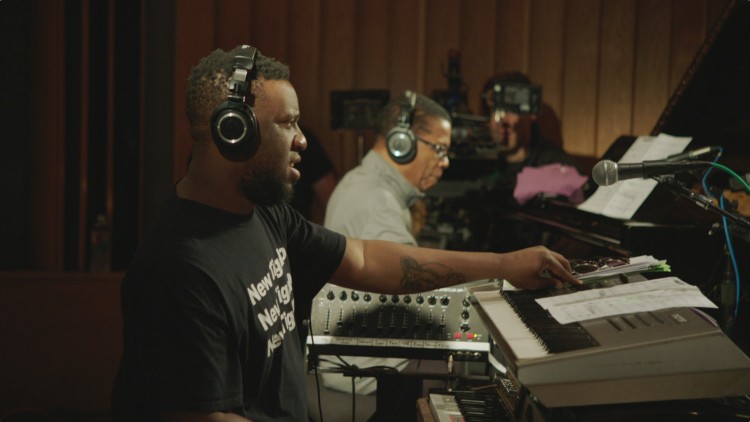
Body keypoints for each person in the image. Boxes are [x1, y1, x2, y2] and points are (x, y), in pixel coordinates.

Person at [111, 44, 580, 422]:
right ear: (234, 132)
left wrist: (505, 265)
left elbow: (362, 258)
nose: (303, 139)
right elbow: (203, 416)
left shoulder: (262, 212)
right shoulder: (178, 272)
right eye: (288, 123)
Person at [315, 92, 451, 401]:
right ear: (401, 143)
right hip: (366, 382)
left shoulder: (361, 182)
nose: (446, 162)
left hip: (358, 370)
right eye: (440, 149)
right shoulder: (377, 200)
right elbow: (417, 282)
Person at [289, 127, 337, 225]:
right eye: (286, 122)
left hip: (299, 235)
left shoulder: (306, 142)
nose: (301, 142)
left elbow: (334, 202)